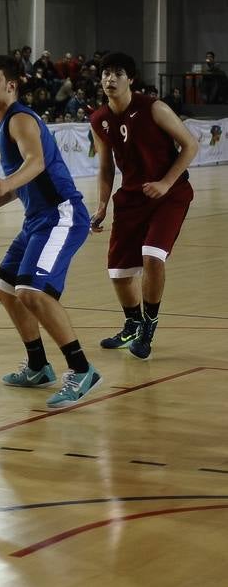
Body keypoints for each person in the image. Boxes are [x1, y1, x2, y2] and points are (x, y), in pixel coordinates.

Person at [0, 54, 102, 409]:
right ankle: (37, 366)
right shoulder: (2, 124)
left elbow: (36, 163)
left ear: (11, 85)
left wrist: (6, 184)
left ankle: (81, 369)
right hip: (37, 219)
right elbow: (23, 180)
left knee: (32, 291)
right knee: (6, 288)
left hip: (62, 214)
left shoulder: (21, 119)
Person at [90, 52, 198, 360]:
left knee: (152, 255)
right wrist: (101, 205)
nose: (110, 79)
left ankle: (148, 327)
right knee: (118, 272)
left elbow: (191, 145)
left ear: (131, 79)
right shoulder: (99, 119)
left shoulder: (154, 108)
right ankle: (132, 324)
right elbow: (106, 167)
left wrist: (165, 183)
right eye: (105, 74)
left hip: (171, 193)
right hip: (132, 197)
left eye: (117, 73)